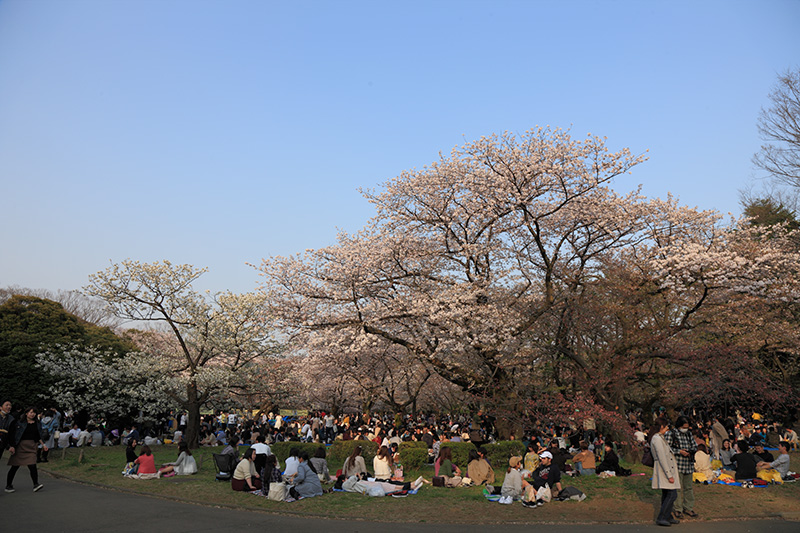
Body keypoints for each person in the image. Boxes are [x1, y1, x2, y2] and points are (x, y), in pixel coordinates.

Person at [5, 406, 47, 493]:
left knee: (32, 465)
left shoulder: (37, 423)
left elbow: (39, 435)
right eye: (30, 412)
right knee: (15, 466)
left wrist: (43, 445)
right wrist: (11, 446)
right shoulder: (19, 423)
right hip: (20, 446)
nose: (32, 414)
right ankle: (8, 485)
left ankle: (36, 484)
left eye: (34, 412)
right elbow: (13, 434)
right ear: (26, 413)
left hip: (31, 446)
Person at [649, 418, 680, 527]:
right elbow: (662, 457)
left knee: (667, 494)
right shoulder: (657, 439)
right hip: (664, 469)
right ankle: (662, 517)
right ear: (661, 426)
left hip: (665, 468)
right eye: (666, 426)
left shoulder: (659, 438)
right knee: (672, 494)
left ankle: (667, 516)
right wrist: (669, 475)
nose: (667, 429)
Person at [666, 416, 698, 519]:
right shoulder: (671, 434)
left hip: (688, 465)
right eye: (684, 427)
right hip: (677, 465)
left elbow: (695, 446)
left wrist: (690, 451)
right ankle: (677, 509)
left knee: (688, 488)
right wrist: (679, 451)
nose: (686, 429)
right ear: (679, 426)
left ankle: (688, 507)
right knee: (677, 488)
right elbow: (667, 448)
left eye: (687, 427)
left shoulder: (689, 434)